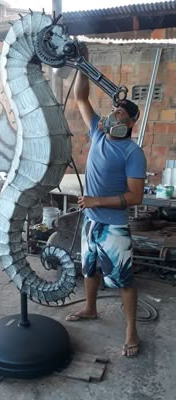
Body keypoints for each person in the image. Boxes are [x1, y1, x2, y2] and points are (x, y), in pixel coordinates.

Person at [66, 67, 147, 358]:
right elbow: (80, 97)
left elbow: (135, 196)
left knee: (123, 279)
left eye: (121, 115)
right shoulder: (98, 133)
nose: (114, 117)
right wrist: (81, 65)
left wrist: (96, 201)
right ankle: (90, 308)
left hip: (113, 225)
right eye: (114, 111)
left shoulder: (133, 153)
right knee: (89, 268)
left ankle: (131, 330)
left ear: (132, 123)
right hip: (90, 220)